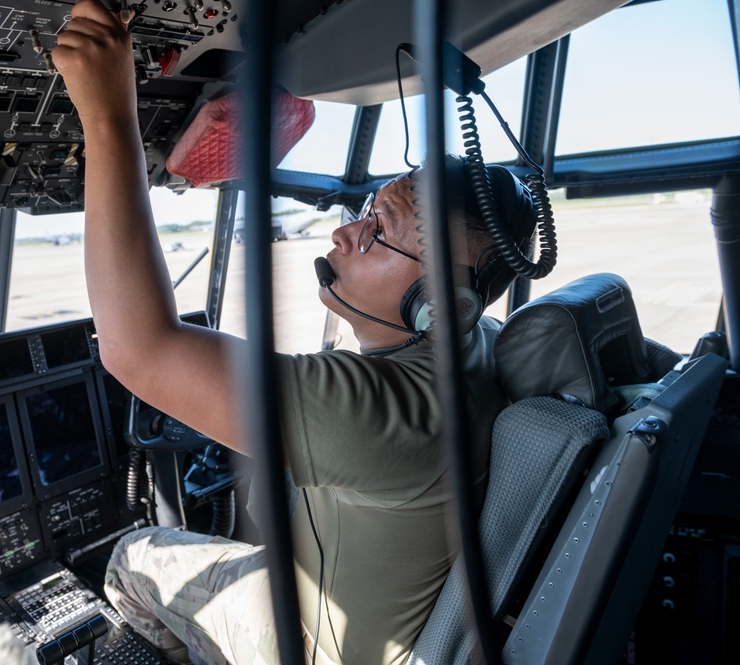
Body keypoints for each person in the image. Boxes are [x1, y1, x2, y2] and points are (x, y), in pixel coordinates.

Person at [52, 2, 536, 663]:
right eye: (366, 209)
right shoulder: (467, 349)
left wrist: (107, 117)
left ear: (437, 303)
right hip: (339, 597)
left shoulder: (382, 408)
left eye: (378, 231)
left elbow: (137, 349)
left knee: (131, 556)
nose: (344, 231)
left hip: (315, 642)